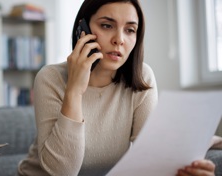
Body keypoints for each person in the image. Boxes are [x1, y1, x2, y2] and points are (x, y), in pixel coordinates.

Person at [17, 0, 216, 175]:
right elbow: (61, 172)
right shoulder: (51, 77)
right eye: (106, 25)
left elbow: (151, 157)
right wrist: (74, 91)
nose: (119, 39)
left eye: (130, 30)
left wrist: (190, 164)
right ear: (82, 30)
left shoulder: (141, 78)